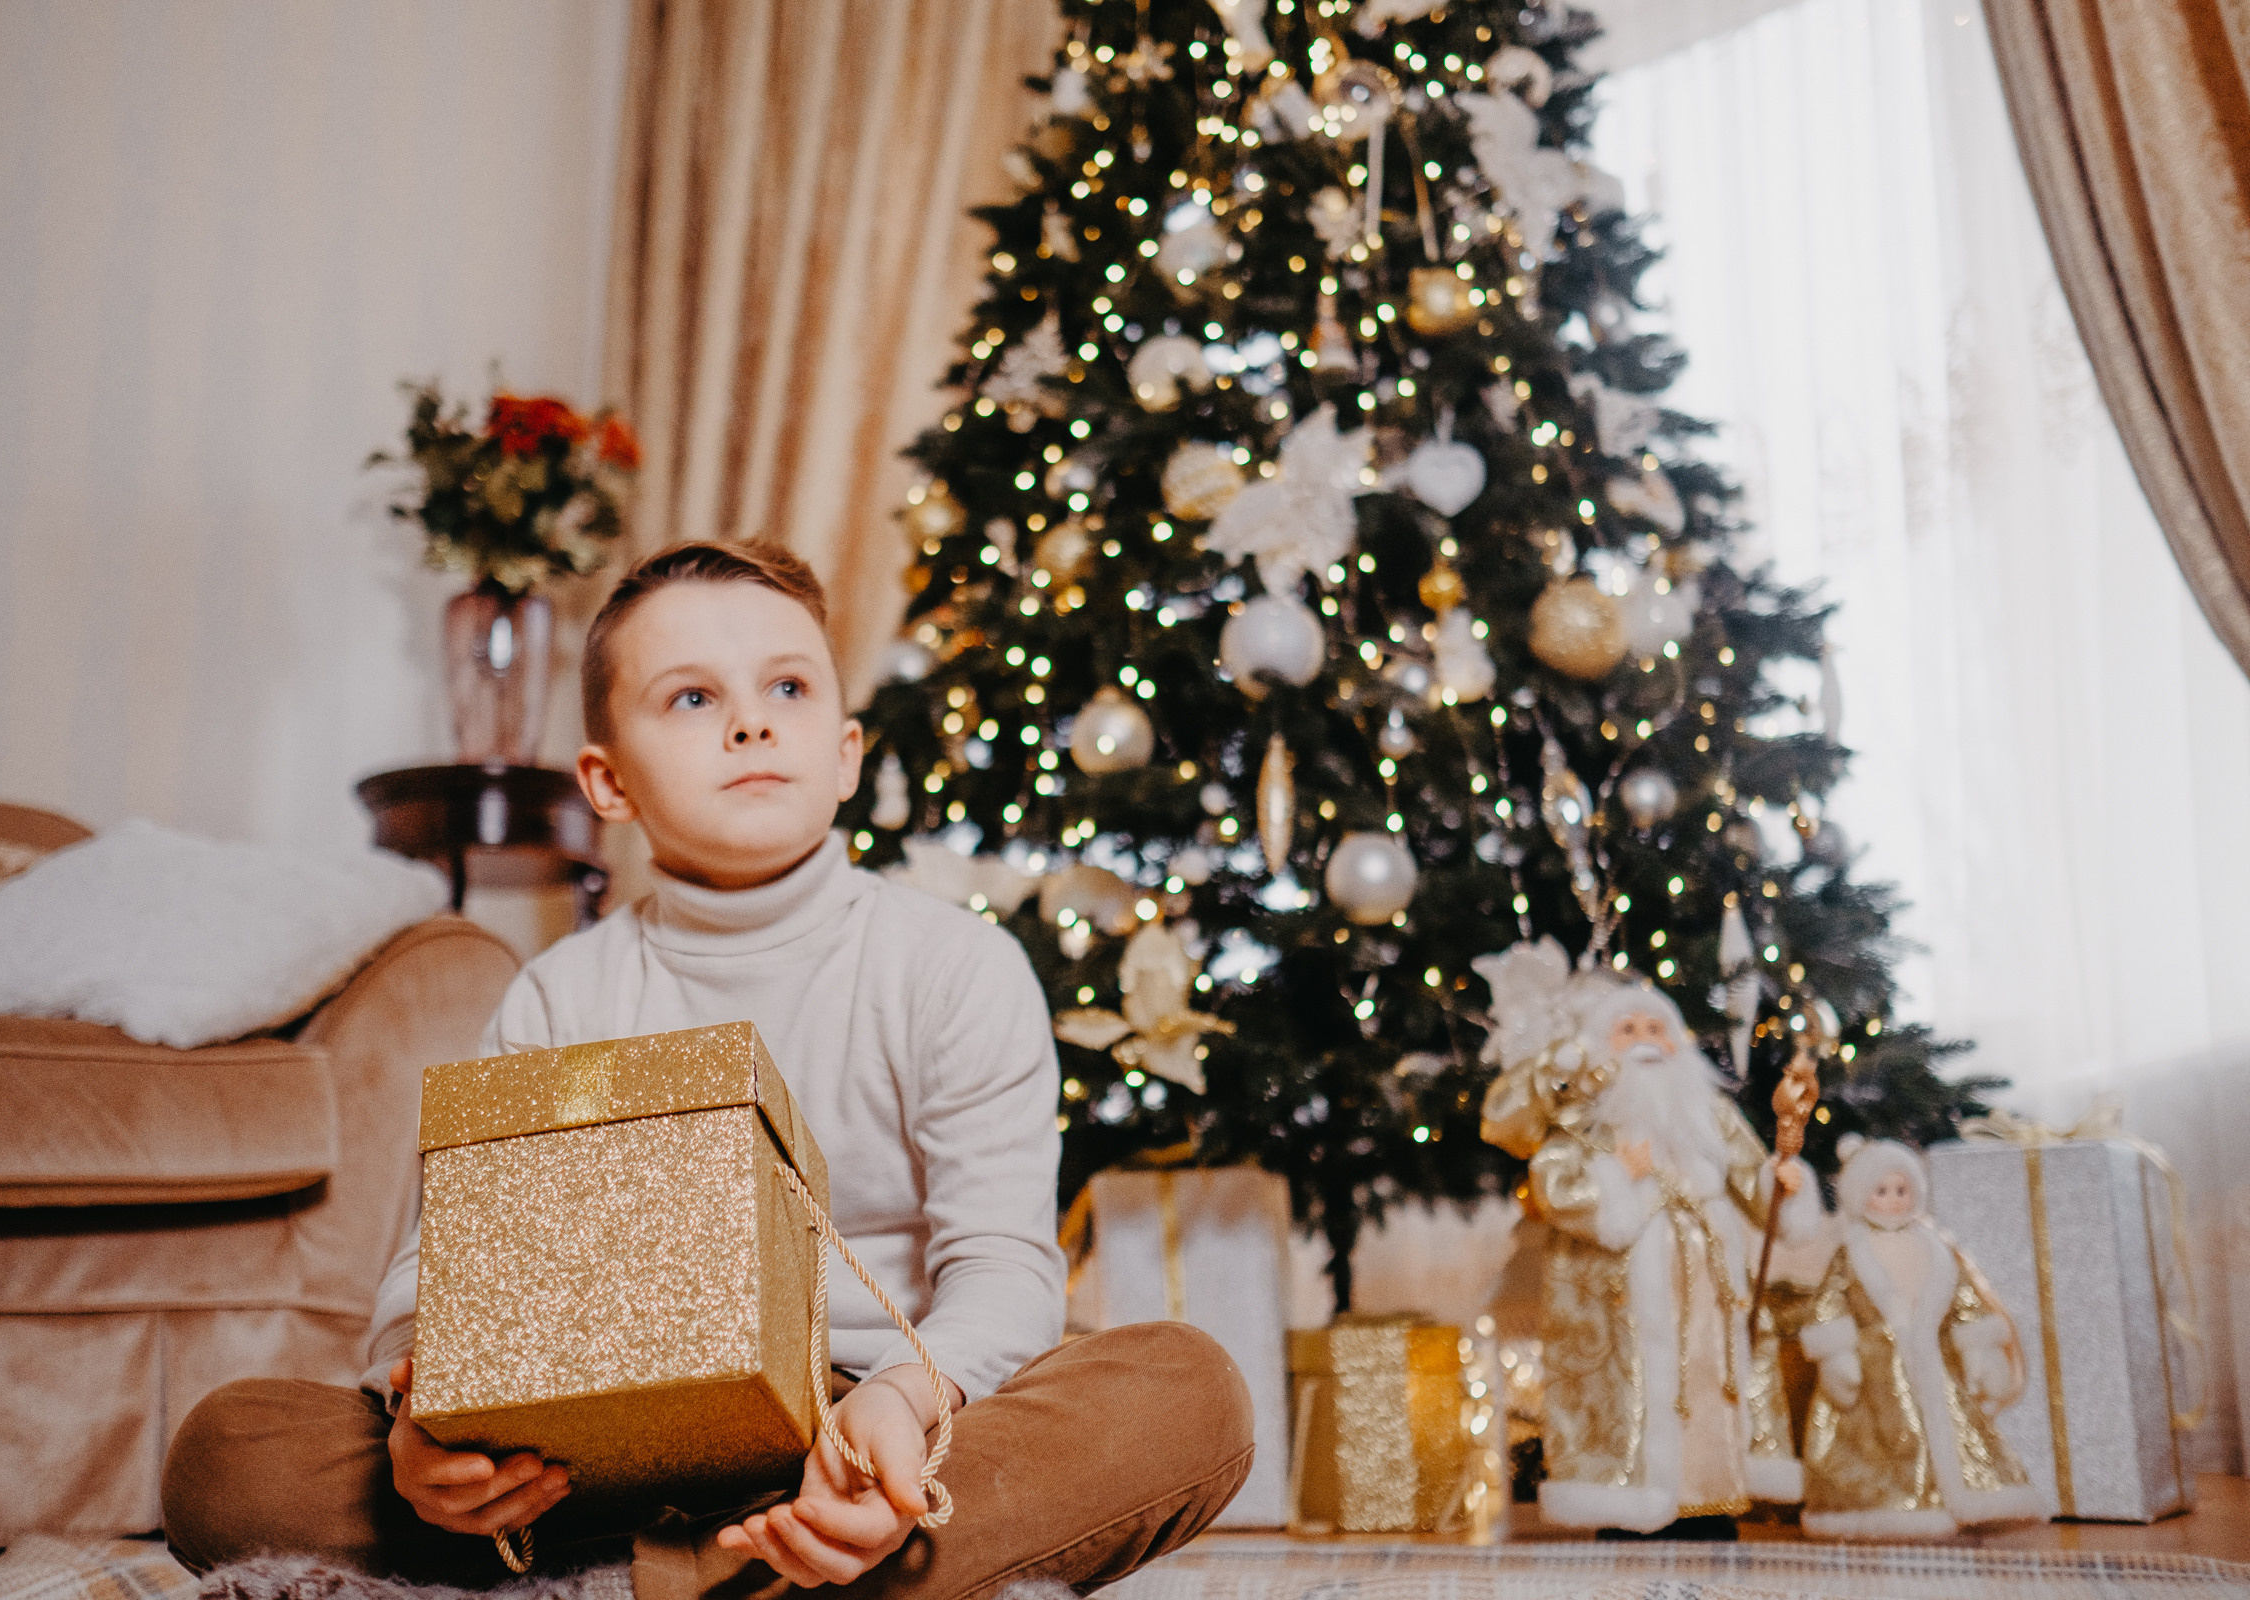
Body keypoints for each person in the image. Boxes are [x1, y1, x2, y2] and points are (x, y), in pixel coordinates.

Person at [161, 541, 1253, 1597]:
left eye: (788, 685)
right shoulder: (559, 993)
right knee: (228, 1455)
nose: (750, 720)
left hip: (861, 1432)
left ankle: (635, 1584)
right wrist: (422, 1426)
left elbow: (1004, 1274)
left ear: (846, 751)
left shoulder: (955, 965)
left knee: (1188, 1393)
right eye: (691, 698)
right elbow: (437, 1274)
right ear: (608, 780)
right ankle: (777, 1582)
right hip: (598, 1452)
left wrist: (904, 1404)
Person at [1477, 945, 1821, 1535]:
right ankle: (1629, 1507)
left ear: (1678, 1042)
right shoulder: (1585, 1120)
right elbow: (1553, 1184)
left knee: (1712, 1390)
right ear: (1603, 1045)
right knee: (1631, 1394)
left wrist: (1782, 1183)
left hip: (1710, 1302)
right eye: (1627, 1028)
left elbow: (1753, 1178)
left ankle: (1711, 1499)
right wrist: (1618, 1176)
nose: (1644, 1038)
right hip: (1617, 1302)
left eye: (1656, 1027)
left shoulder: (1711, 1116)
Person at [1795, 1137, 2042, 1539]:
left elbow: (1965, 1300)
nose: (1893, 1200)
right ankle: (1896, 1506)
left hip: (1936, 1365)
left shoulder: (1936, 1248)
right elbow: (1829, 1304)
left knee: (1951, 1426)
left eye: (1902, 1190)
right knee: (1886, 1440)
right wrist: (1836, 1355)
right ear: (1861, 1196)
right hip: (1875, 1376)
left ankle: (1962, 1499)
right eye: (1882, 1191)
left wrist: (1979, 1350)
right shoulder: (1852, 1252)